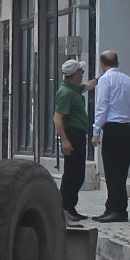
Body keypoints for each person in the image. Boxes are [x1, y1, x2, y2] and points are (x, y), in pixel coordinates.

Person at [91, 49, 130, 224]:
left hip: (112, 129)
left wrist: (96, 132)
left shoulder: (105, 80)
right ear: (117, 63)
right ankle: (111, 206)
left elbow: (101, 107)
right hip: (125, 130)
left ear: (101, 64)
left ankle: (118, 210)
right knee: (121, 171)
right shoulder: (129, 81)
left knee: (112, 172)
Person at [53, 58, 90, 222]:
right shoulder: (65, 93)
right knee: (72, 174)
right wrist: (65, 141)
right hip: (72, 135)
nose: (82, 74)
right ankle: (65, 207)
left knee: (78, 173)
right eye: (81, 71)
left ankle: (71, 206)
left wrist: (105, 75)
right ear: (75, 73)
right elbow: (58, 118)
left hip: (79, 135)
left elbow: (88, 86)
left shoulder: (74, 89)